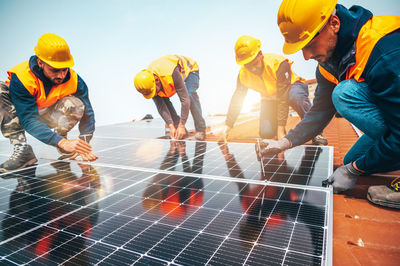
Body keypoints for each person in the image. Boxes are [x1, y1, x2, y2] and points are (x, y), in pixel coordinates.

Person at [264, 0, 400, 208]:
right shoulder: (329, 64)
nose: (306, 56)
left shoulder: (384, 50)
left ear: (334, 24)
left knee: (344, 94)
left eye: (309, 45)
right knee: (352, 158)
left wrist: (354, 170)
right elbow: (319, 112)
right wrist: (286, 142)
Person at [0, 33, 98, 172]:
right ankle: (23, 150)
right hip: (20, 116)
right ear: (40, 63)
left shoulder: (75, 80)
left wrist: (84, 143)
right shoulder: (22, 77)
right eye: (54, 70)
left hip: (49, 116)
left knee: (75, 104)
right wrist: (61, 142)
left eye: (64, 69)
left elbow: (87, 113)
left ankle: (63, 140)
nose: (61, 75)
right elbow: (28, 119)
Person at [221, 35, 328, 145]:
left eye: (254, 64)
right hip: (270, 98)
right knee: (266, 133)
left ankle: (316, 132)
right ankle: (273, 132)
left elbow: (283, 97)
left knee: (296, 97)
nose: (253, 69)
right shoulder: (243, 75)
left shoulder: (278, 63)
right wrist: (228, 125)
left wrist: (281, 130)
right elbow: (237, 99)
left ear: (260, 54)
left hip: (292, 87)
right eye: (248, 66)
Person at [134, 55, 207, 140]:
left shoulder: (170, 73)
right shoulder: (149, 83)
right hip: (165, 76)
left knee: (190, 94)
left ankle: (201, 129)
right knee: (162, 97)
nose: (155, 94)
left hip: (190, 70)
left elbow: (185, 100)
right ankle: (178, 129)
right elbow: (161, 106)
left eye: (154, 91)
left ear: (156, 80)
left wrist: (182, 125)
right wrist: (171, 125)